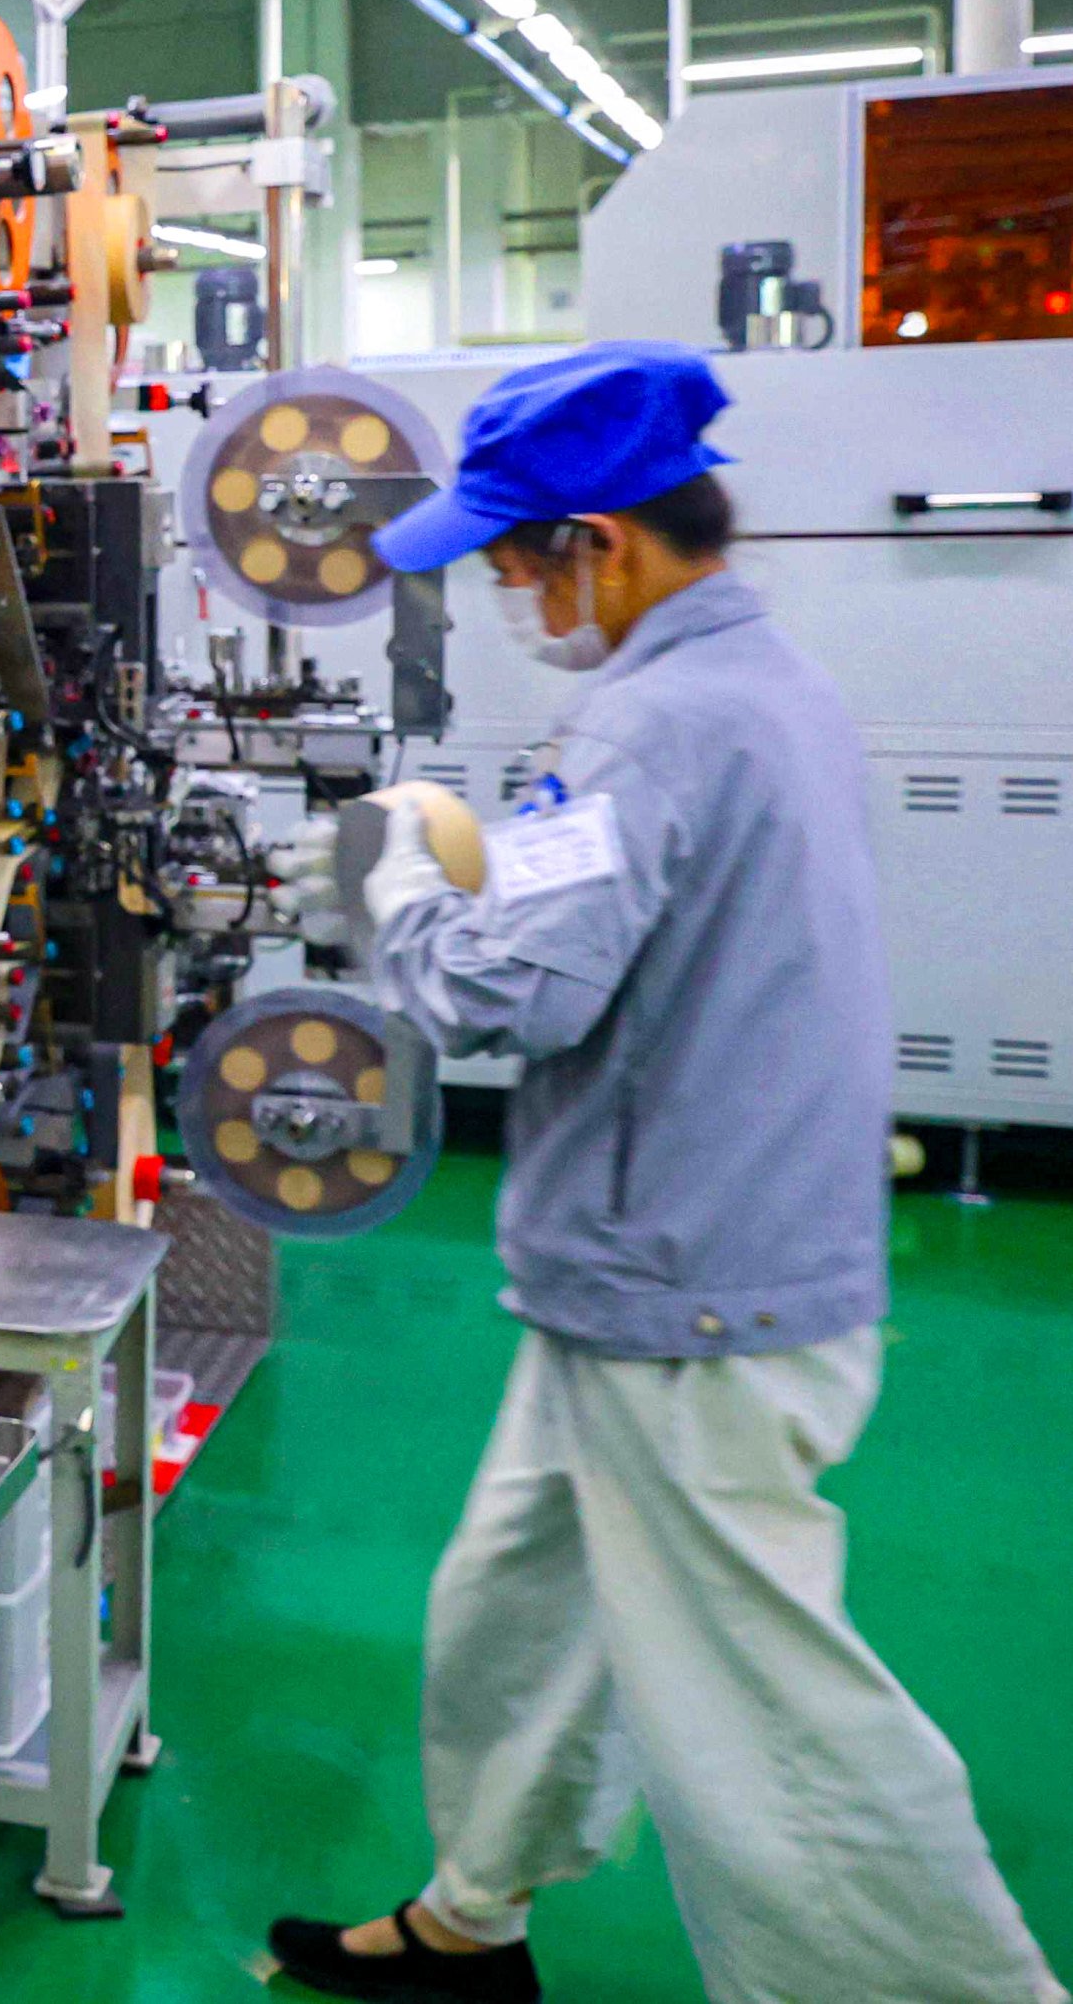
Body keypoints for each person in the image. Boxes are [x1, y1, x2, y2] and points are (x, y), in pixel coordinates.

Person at [264, 342, 1060, 2004]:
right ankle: (471, 1922)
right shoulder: (763, 684)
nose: (503, 591)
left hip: (694, 1290)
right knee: (516, 1610)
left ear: (601, 542)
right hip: (663, 1257)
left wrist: (393, 872)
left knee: (766, 1726)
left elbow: (503, 992)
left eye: (508, 559)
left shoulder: (654, 725)